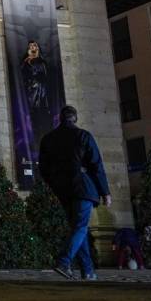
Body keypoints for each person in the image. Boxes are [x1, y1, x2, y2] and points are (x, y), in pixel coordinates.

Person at [39, 105, 112, 281]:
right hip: (82, 187)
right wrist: (105, 192)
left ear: (60, 119)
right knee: (80, 227)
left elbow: (43, 168)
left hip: (63, 190)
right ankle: (64, 262)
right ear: (75, 119)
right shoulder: (83, 135)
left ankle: (88, 271)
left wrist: (54, 184)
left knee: (79, 229)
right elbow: (96, 164)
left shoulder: (48, 139)